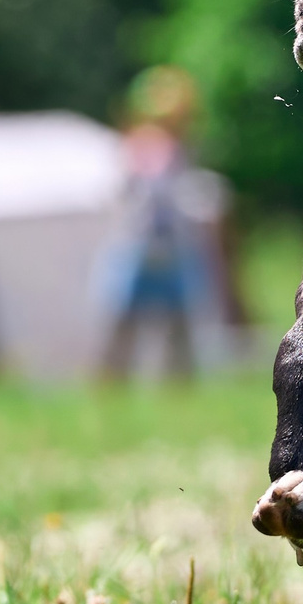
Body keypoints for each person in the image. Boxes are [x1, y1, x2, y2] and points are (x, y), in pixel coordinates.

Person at [97, 66, 212, 382]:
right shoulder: (144, 147)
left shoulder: (172, 149)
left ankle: (177, 382)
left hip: (168, 246)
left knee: (175, 325)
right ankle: (113, 380)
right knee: (125, 322)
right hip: (140, 244)